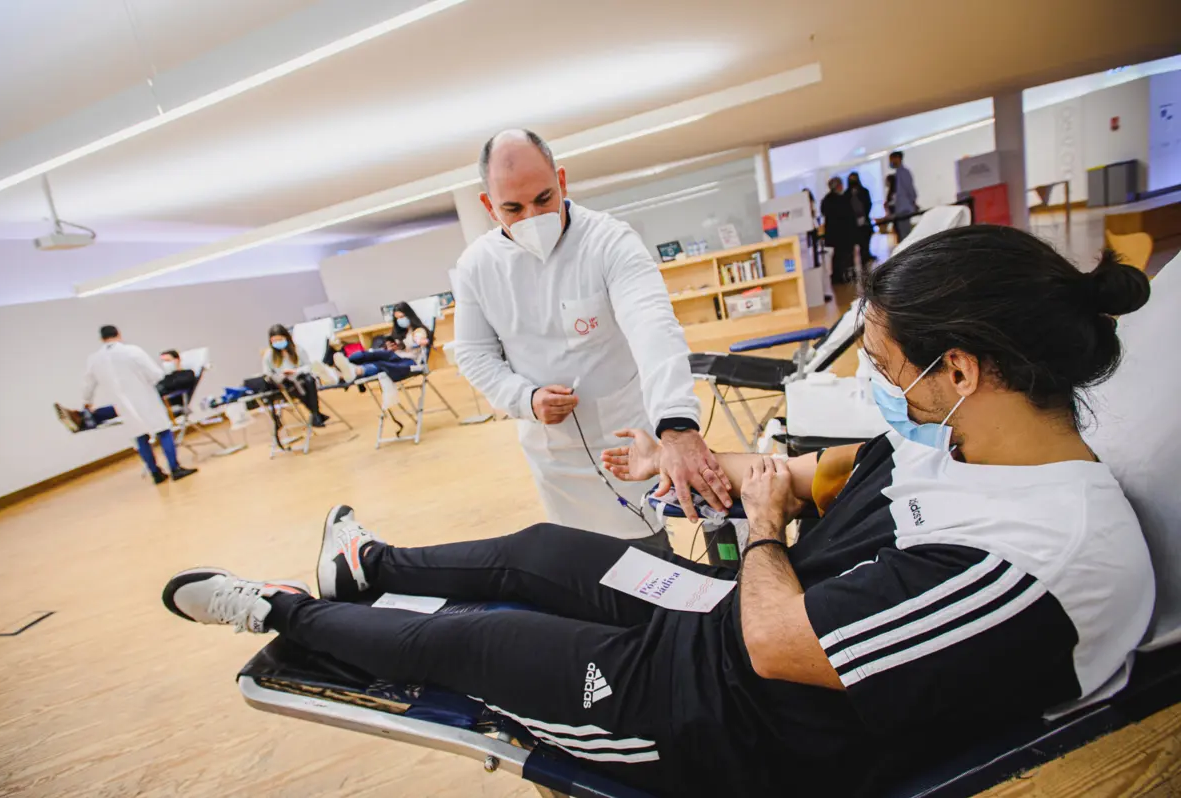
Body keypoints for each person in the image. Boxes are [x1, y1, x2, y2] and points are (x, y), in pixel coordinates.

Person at [161, 226, 1153, 796]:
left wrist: (761, 529)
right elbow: (833, 476)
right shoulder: (969, 435)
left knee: (475, 648)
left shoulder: (1035, 561)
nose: (876, 383)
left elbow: (779, 646)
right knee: (548, 550)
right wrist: (717, 467)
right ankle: (369, 568)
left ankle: (285, 612)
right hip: (728, 616)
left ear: (964, 370)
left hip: (723, 718)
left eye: (887, 367)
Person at [451, 129, 730, 546]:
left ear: (561, 182)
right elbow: (474, 354)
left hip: (627, 444)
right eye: (513, 207)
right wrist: (524, 398)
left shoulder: (609, 241)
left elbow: (651, 324)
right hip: (553, 453)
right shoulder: (476, 266)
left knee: (648, 551)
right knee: (583, 564)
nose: (532, 217)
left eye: (544, 199)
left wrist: (676, 424)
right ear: (489, 206)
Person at [81, 326, 197, 483]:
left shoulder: (94, 359)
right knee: (163, 431)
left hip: (122, 405)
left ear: (102, 339)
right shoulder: (132, 351)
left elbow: (88, 384)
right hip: (145, 398)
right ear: (119, 334)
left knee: (140, 437)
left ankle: (155, 474)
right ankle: (175, 468)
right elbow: (156, 374)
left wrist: (86, 402)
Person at [55, 348, 199, 432]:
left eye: (168, 360)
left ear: (177, 360)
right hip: (150, 402)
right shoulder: (163, 375)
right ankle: (81, 417)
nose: (165, 364)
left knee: (127, 407)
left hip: (166, 405)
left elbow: (167, 389)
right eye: (163, 361)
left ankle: (82, 419)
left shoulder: (187, 374)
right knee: (126, 404)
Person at [263, 324, 329, 428]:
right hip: (284, 382)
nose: (277, 343)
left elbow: (308, 366)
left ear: (286, 337)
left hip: (300, 377)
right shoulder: (269, 355)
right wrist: (280, 375)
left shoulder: (297, 349)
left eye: (280, 339)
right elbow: (267, 373)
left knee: (309, 381)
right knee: (295, 387)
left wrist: (296, 371)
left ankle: (315, 414)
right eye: (274, 341)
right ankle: (316, 414)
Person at [820, 176, 856, 284]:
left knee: (837, 256)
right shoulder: (843, 199)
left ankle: (836, 277)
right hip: (843, 233)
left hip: (833, 234)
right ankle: (845, 276)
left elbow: (823, 212)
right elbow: (848, 216)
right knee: (845, 255)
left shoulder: (826, 200)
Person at [846, 171, 875, 267]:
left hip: (864, 221)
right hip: (853, 224)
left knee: (865, 243)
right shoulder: (846, 195)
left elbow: (868, 204)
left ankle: (866, 259)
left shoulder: (864, 191)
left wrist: (864, 215)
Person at [889, 151, 918, 242]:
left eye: (891, 159)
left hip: (904, 208)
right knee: (903, 233)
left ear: (897, 158)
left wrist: (912, 201)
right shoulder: (898, 173)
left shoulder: (904, 172)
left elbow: (909, 188)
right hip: (900, 208)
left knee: (905, 234)